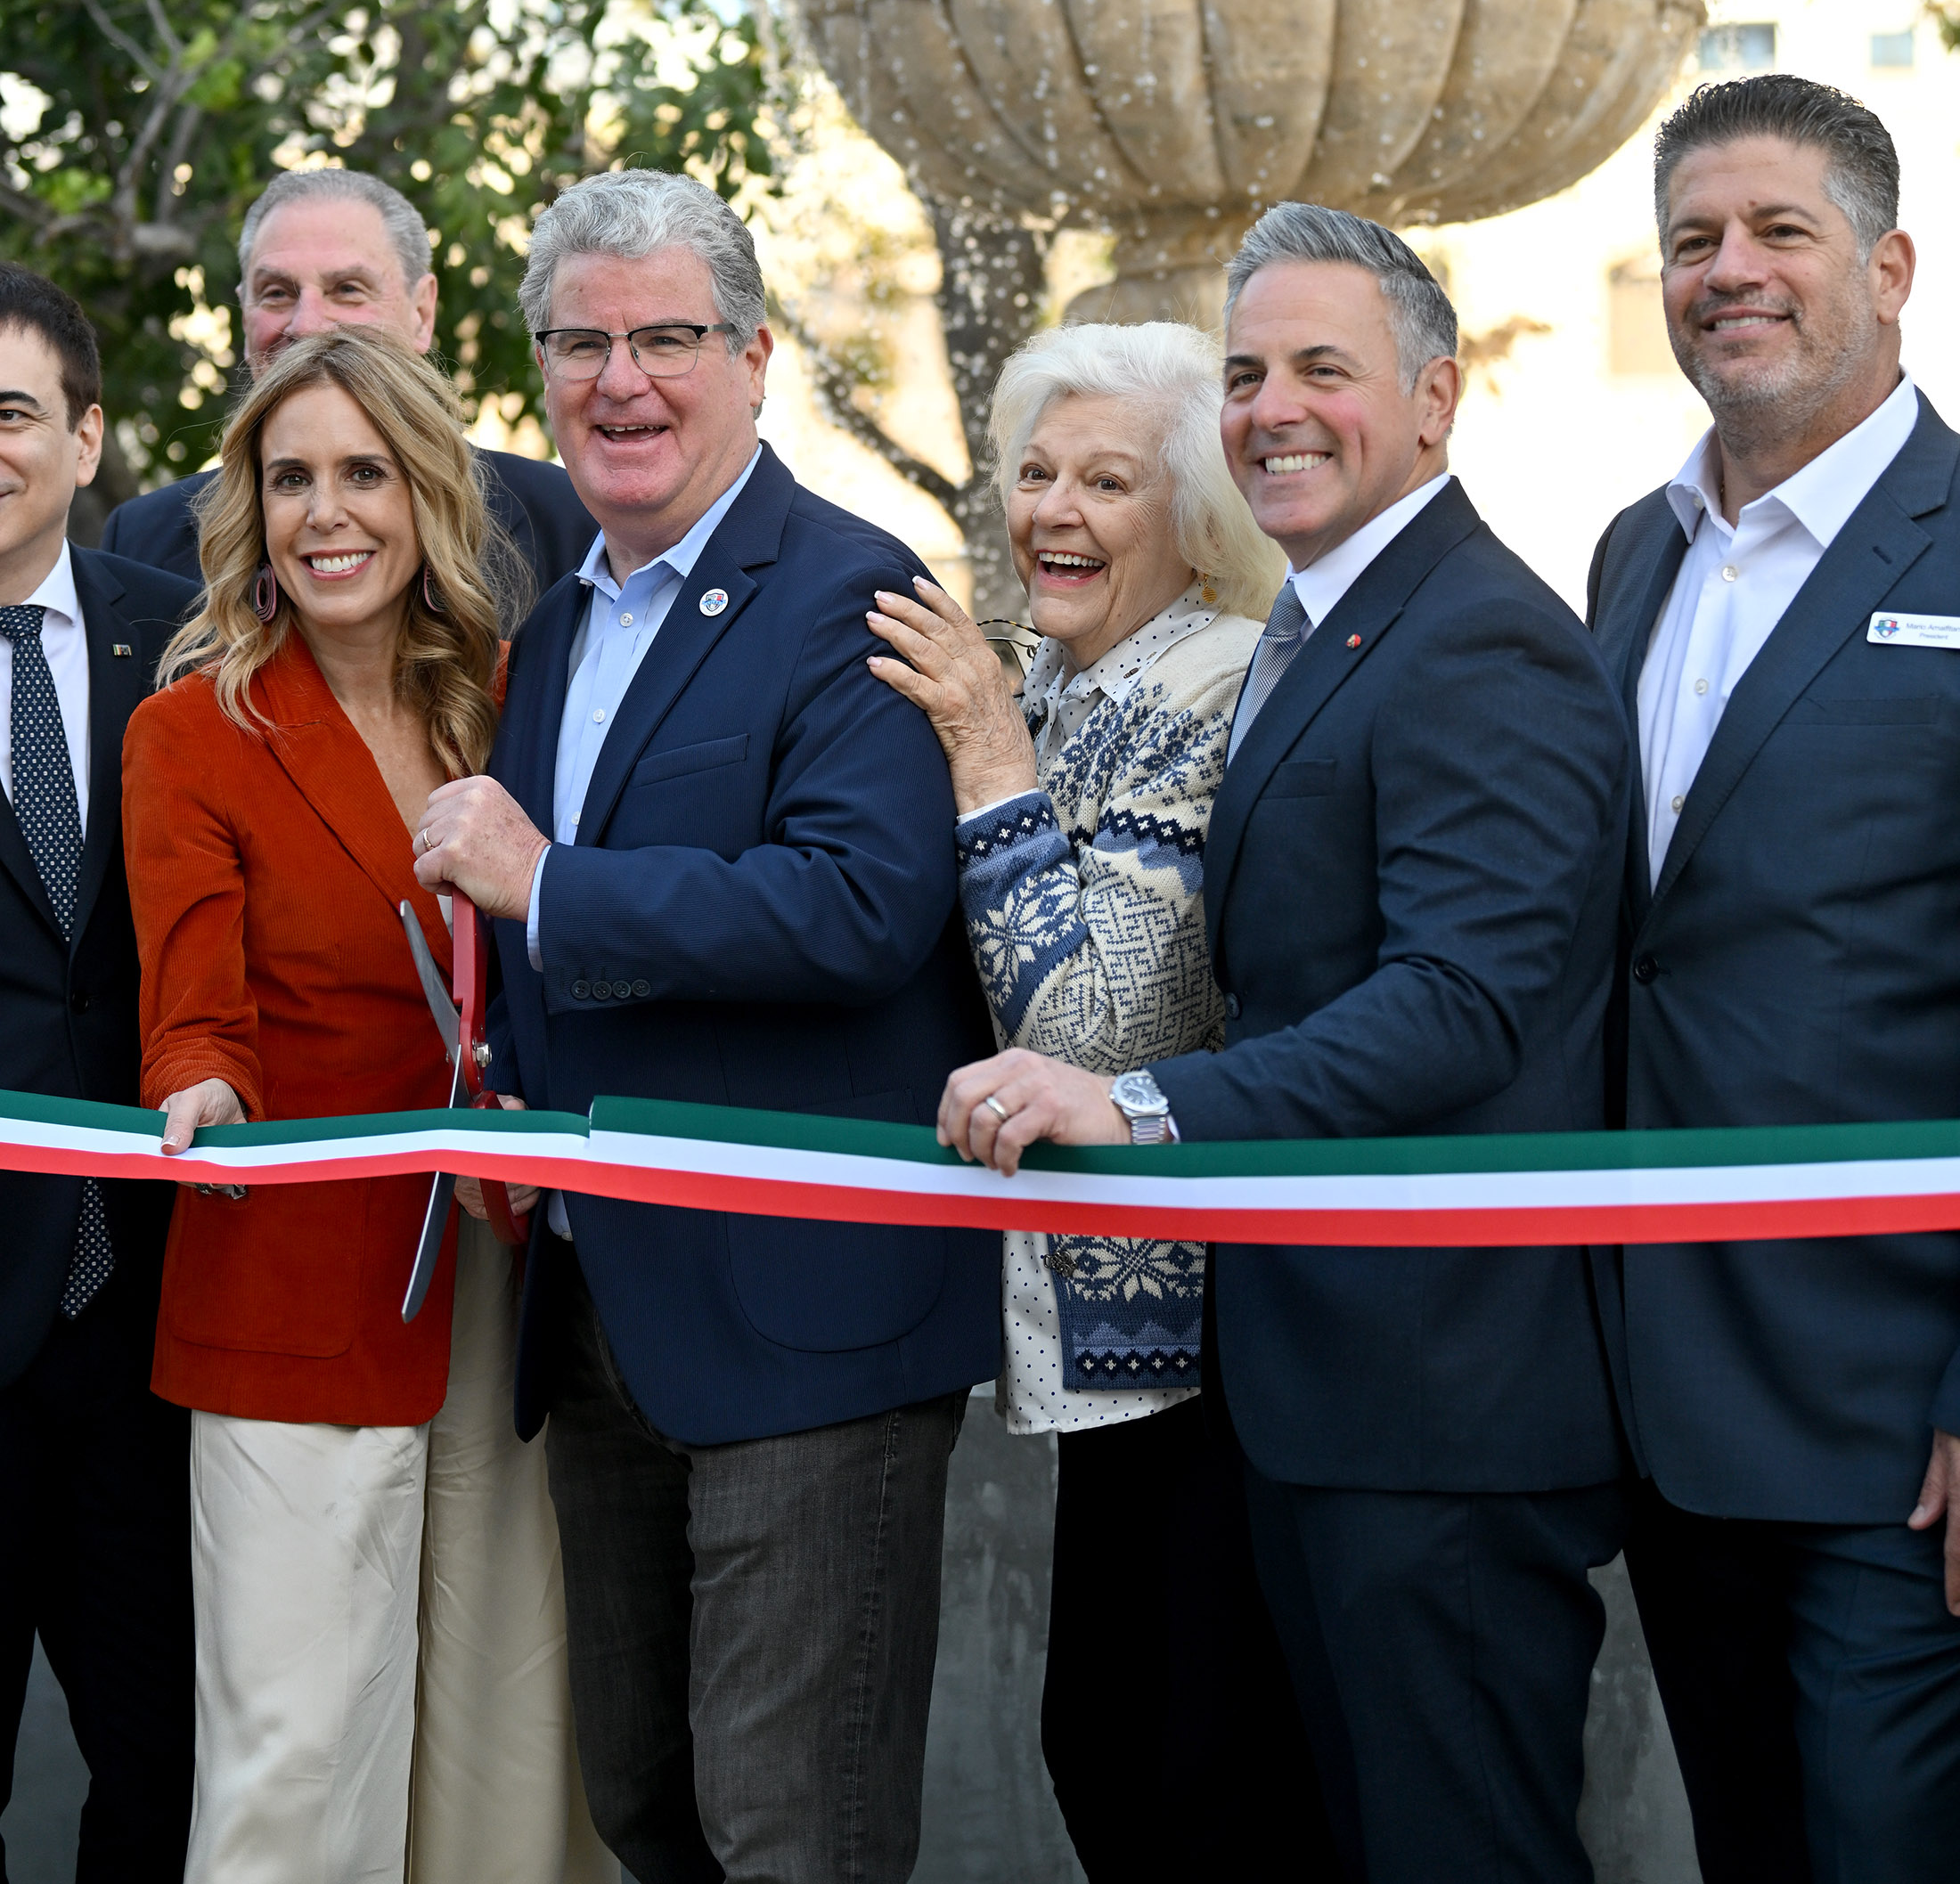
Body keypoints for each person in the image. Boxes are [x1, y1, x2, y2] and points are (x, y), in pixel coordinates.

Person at [940, 204, 1631, 1884]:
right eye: (1247, 373)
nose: (1272, 408)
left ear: (1435, 397)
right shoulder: (1325, 634)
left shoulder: (1486, 640)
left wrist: (1142, 1100)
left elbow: (1464, 1001)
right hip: (1315, 1387)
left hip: (1441, 1403)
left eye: (1325, 368)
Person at [407, 167, 999, 1884]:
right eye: (582, 344)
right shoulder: (560, 615)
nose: (622, 382)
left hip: (807, 1325)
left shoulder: (850, 592)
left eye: (667, 338)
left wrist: (556, 886)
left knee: (787, 1834)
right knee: (650, 1814)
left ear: (752, 357)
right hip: (604, 1317)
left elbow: (865, 905)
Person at [123, 330, 609, 1884]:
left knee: (508, 1753)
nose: (327, 514)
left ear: (426, 496)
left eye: (363, 473)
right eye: (290, 481)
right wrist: (200, 1086)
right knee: (302, 1761)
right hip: (295, 1279)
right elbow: (196, 1004)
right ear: (251, 514)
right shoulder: (193, 727)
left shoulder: (514, 702)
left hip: (504, 1276)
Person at [864, 317, 1330, 1880]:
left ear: (1191, 515)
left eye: (1106, 481)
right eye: (1037, 472)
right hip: (1101, 1344)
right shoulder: (1071, 679)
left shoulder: (1199, 680)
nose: (1051, 509)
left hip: (1202, 1348)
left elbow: (1093, 1027)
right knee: (1112, 1749)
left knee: (1176, 1770)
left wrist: (983, 739)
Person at [1587, 73, 1960, 1883]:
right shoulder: (1628, 555)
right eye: (1688, 242)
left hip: (1896, 1419)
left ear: (1885, 268)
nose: (1724, 272)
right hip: (1660, 1403)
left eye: (1775, 233)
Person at [0, 267, 196, 1881]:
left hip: (152, 1316)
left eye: (10, 414)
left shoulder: (179, 645)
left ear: (86, 436)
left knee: (164, 1779)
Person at [102, 166, 593, 592]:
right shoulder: (143, 540)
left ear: (422, 313)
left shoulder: (563, 523)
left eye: (347, 290)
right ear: (244, 310)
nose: (307, 324)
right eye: (275, 292)